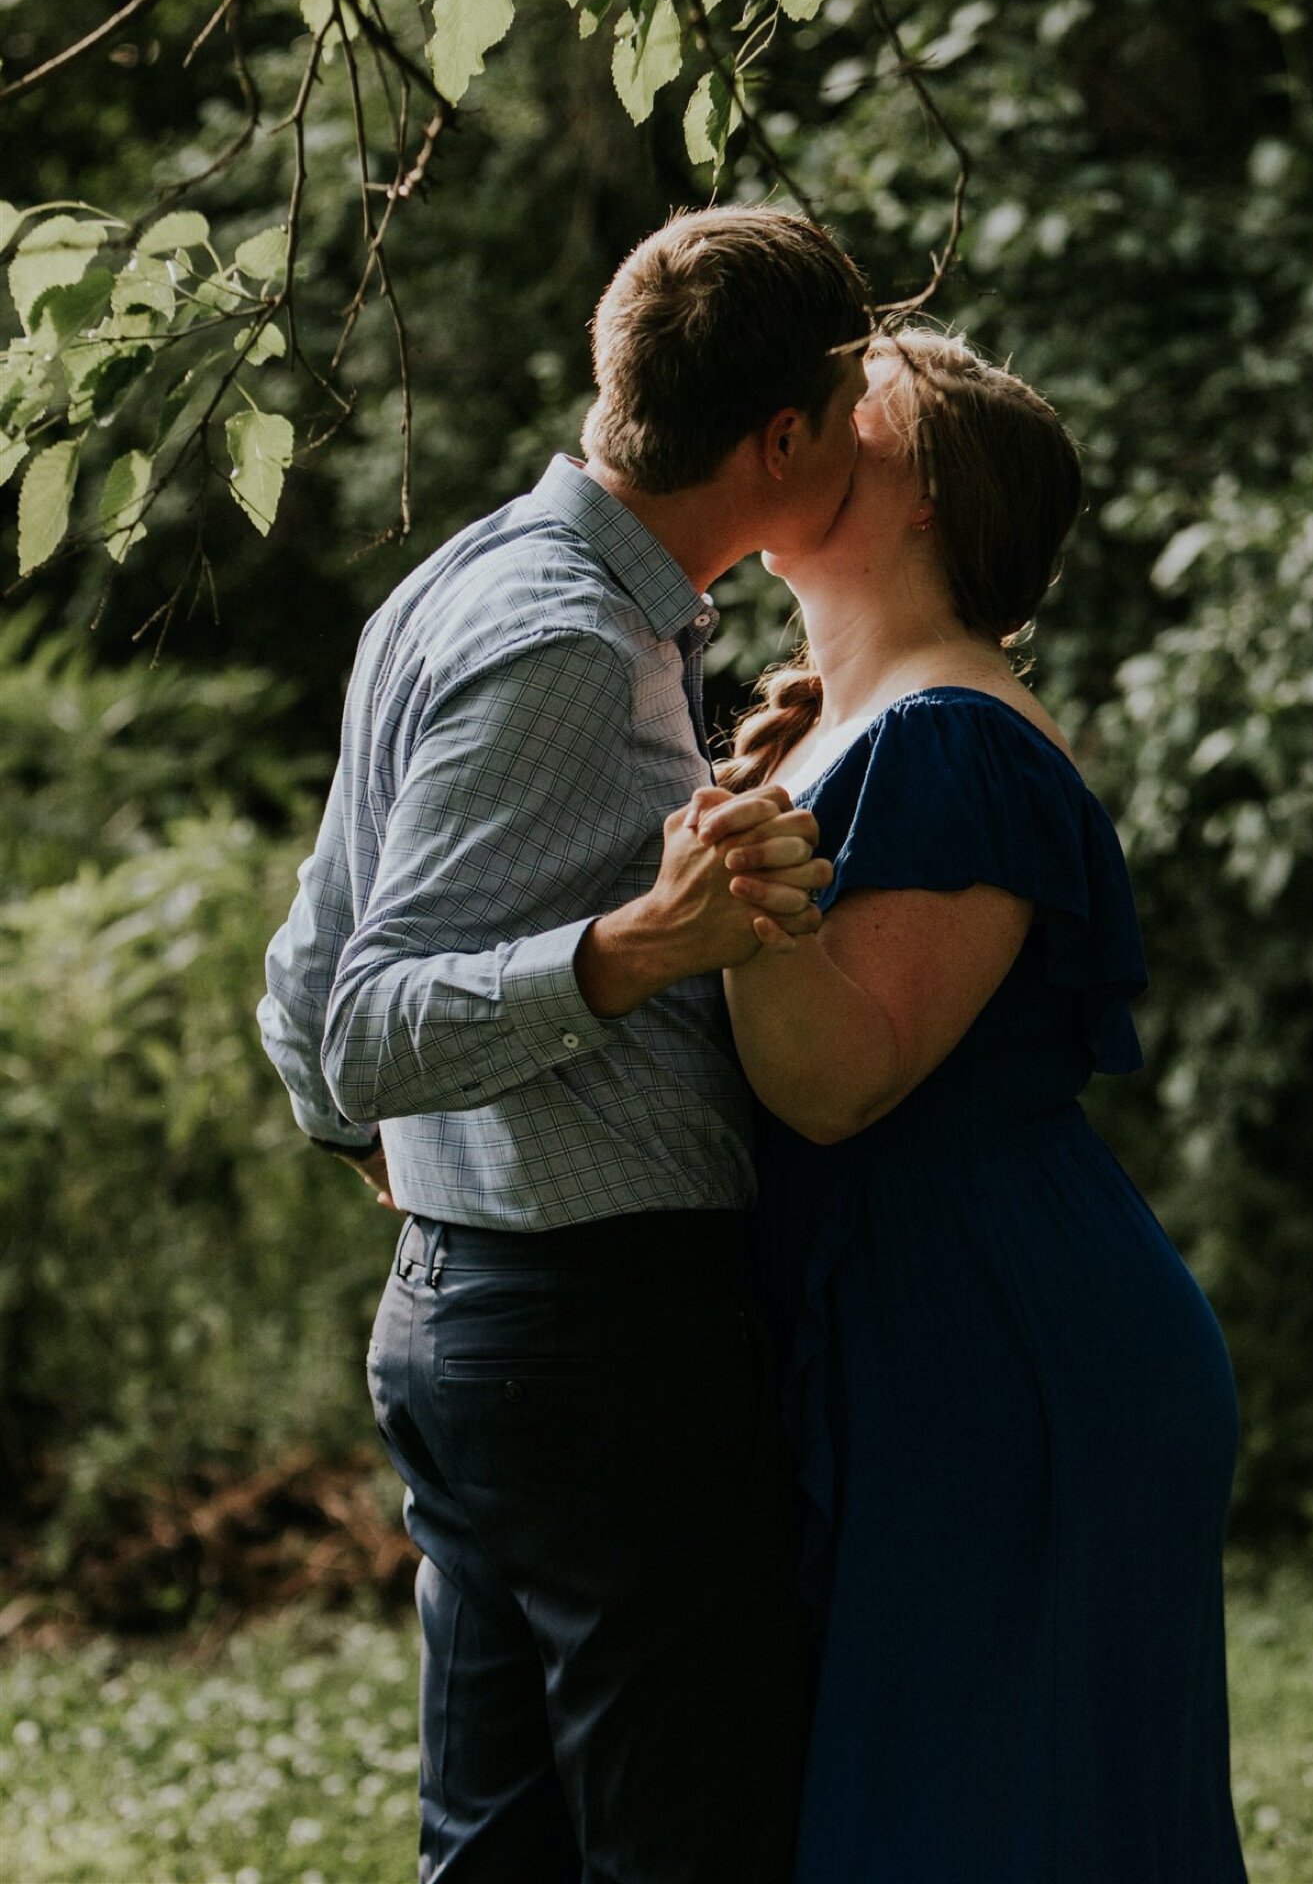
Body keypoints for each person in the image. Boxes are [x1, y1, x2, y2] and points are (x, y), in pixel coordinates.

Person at [257, 206, 873, 1884]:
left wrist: (394, 1168)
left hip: (480, 1318)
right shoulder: (561, 640)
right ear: (783, 438)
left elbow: (304, 993)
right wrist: (628, 953)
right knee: (685, 1848)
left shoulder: (471, 583)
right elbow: (369, 1013)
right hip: (593, 1343)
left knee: (499, 1856)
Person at [701, 328, 1249, 1884]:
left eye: (841, 409)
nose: (784, 422)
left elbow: (837, 1079)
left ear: (926, 487)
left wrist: (736, 891)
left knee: (989, 1821)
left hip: (1002, 1348)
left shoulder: (953, 735)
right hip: (916, 1321)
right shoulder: (835, 723)